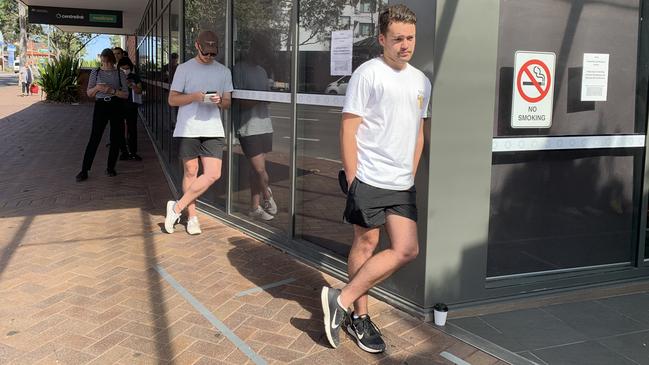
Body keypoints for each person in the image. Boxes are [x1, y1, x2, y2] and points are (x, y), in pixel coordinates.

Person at [321, 4, 431, 354]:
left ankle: (341, 299)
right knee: (366, 245)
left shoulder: (421, 81)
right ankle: (360, 317)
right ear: (382, 39)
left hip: (401, 182)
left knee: (407, 249)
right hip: (368, 176)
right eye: (397, 38)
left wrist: (409, 176)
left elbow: (417, 134)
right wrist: (354, 180)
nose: (405, 45)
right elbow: (348, 127)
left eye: (410, 38)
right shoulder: (367, 74)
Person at [164, 30, 233, 235]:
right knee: (191, 172)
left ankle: (176, 207)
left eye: (213, 54)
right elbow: (172, 100)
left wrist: (221, 101)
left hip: (213, 127)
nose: (209, 57)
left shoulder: (224, 71)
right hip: (189, 127)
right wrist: (194, 97)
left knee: (213, 174)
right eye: (206, 53)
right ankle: (192, 217)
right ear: (197, 46)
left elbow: (228, 102)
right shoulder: (184, 69)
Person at [232, 36, 277, 221]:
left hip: (264, 124)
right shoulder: (238, 69)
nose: (262, 58)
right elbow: (238, 101)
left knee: (255, 170)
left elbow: (265, 97)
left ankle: (254, 207)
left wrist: (265, 97)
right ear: (252, 49)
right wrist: (259, 98)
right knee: (260, 170)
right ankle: (267, 195)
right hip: (248, 127)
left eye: (265, 56)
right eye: (261, 54)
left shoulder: (262, 71)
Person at [76, 48, 129, 182]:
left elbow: (126, 94)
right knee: (95, 137)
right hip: (101, 106)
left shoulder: (119, 73)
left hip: (116, 105)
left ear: (113, 61)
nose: (106, 65)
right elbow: (89, 93)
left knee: (116, 137)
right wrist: (98, 88)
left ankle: (111, 167)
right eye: (103, 62)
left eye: (108, 62)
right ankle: (84, 169)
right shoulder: (96, 71)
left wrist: (111, 90)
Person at [117, 57, 143, 161]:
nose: (125, 70)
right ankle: (123, 152)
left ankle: (133, 152)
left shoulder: (134, 77)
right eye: (123, 68)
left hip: (131, 106)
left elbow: (140, 91)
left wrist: (132, 86)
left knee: (132, 129)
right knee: (120, 129)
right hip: (119, 106)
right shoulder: (116, 77)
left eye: (127, 68)